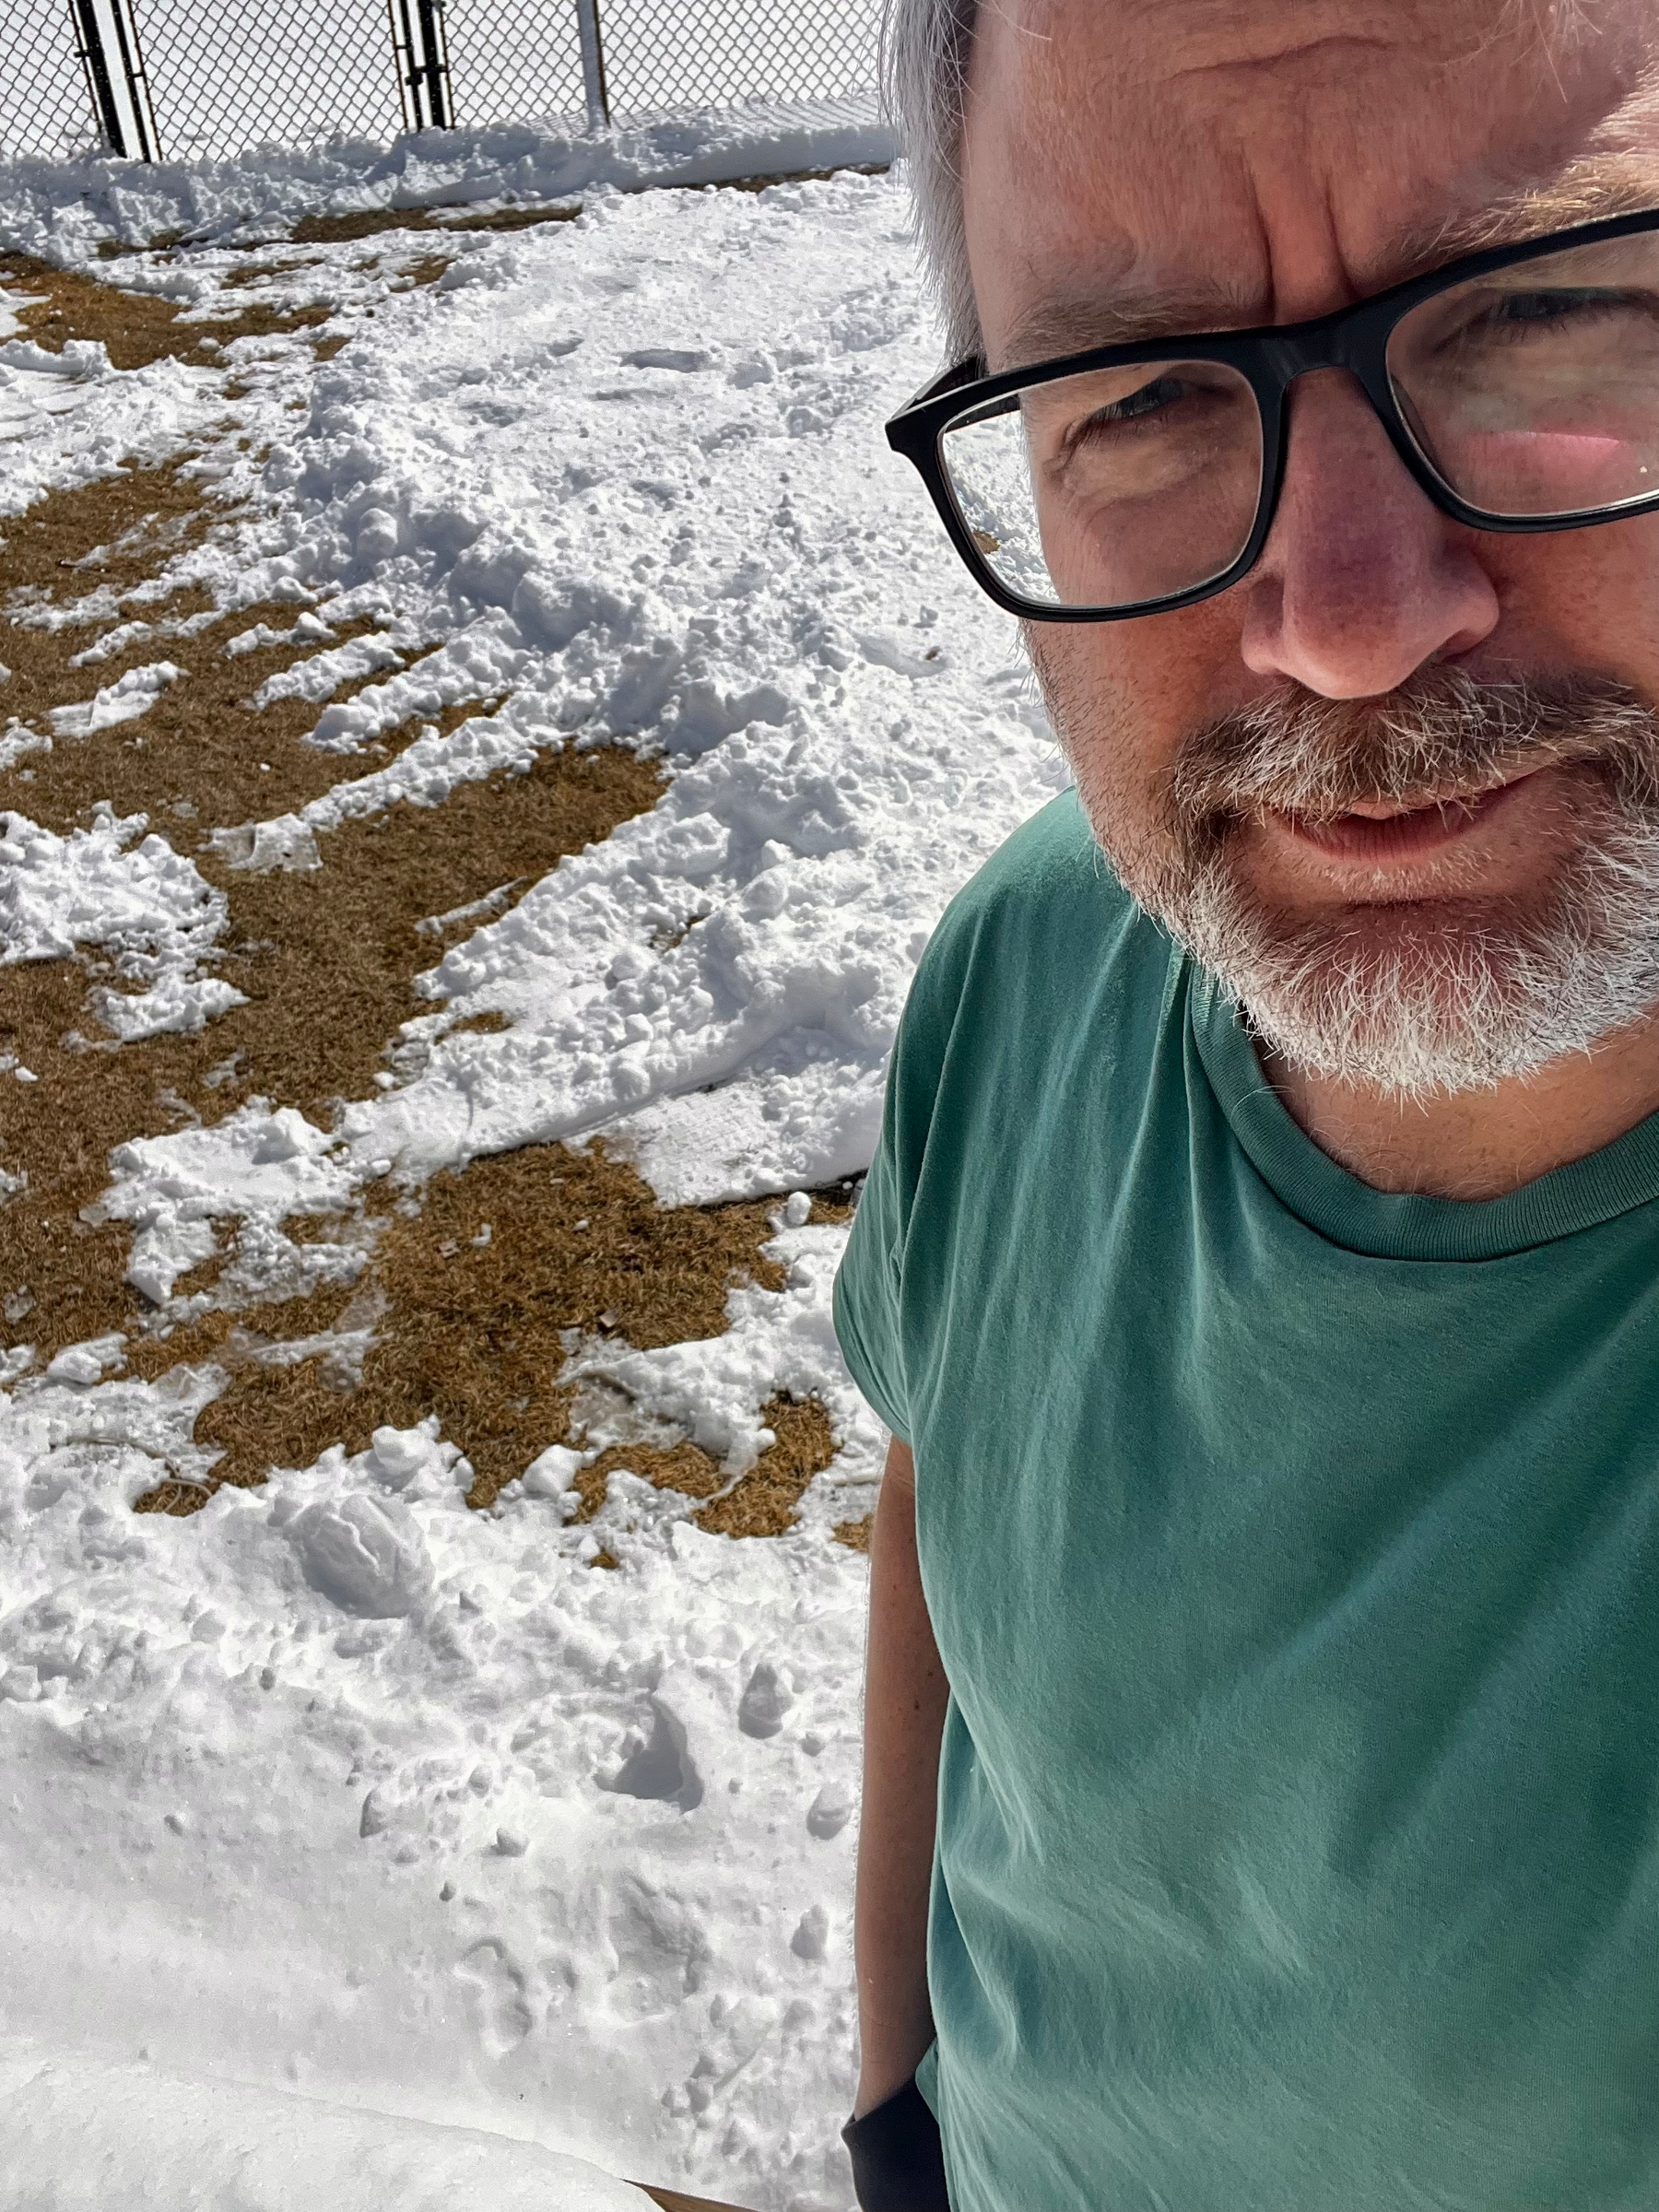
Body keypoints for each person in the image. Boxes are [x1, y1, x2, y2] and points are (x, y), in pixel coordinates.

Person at [832, 2, 1659, 2206]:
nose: (1356, 623)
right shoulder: (1034, 960)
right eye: (1149, 395)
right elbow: (950, 1533)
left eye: (1553, 308)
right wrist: (896, 2106)